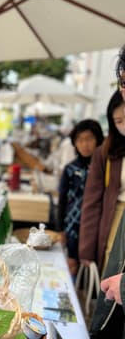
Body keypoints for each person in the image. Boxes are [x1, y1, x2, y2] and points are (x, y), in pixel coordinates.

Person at [79, 70, 125, 339]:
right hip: (114, 228)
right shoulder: (108, 153)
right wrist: (84, 252)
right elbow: (91, 204)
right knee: (108, 297)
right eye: (118, 119)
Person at [57, 119, 104, 277]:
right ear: (75, 143)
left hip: (94, 226)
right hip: (72, 226)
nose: (85, 144)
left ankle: (87, 295)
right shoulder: (70, 169)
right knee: (72, 264)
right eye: (80, 140)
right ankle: (74, 297)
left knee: (91, 268)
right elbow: (62, 199)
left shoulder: (104, 168)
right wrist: (60, 229)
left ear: (98, 139)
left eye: (89, 139)